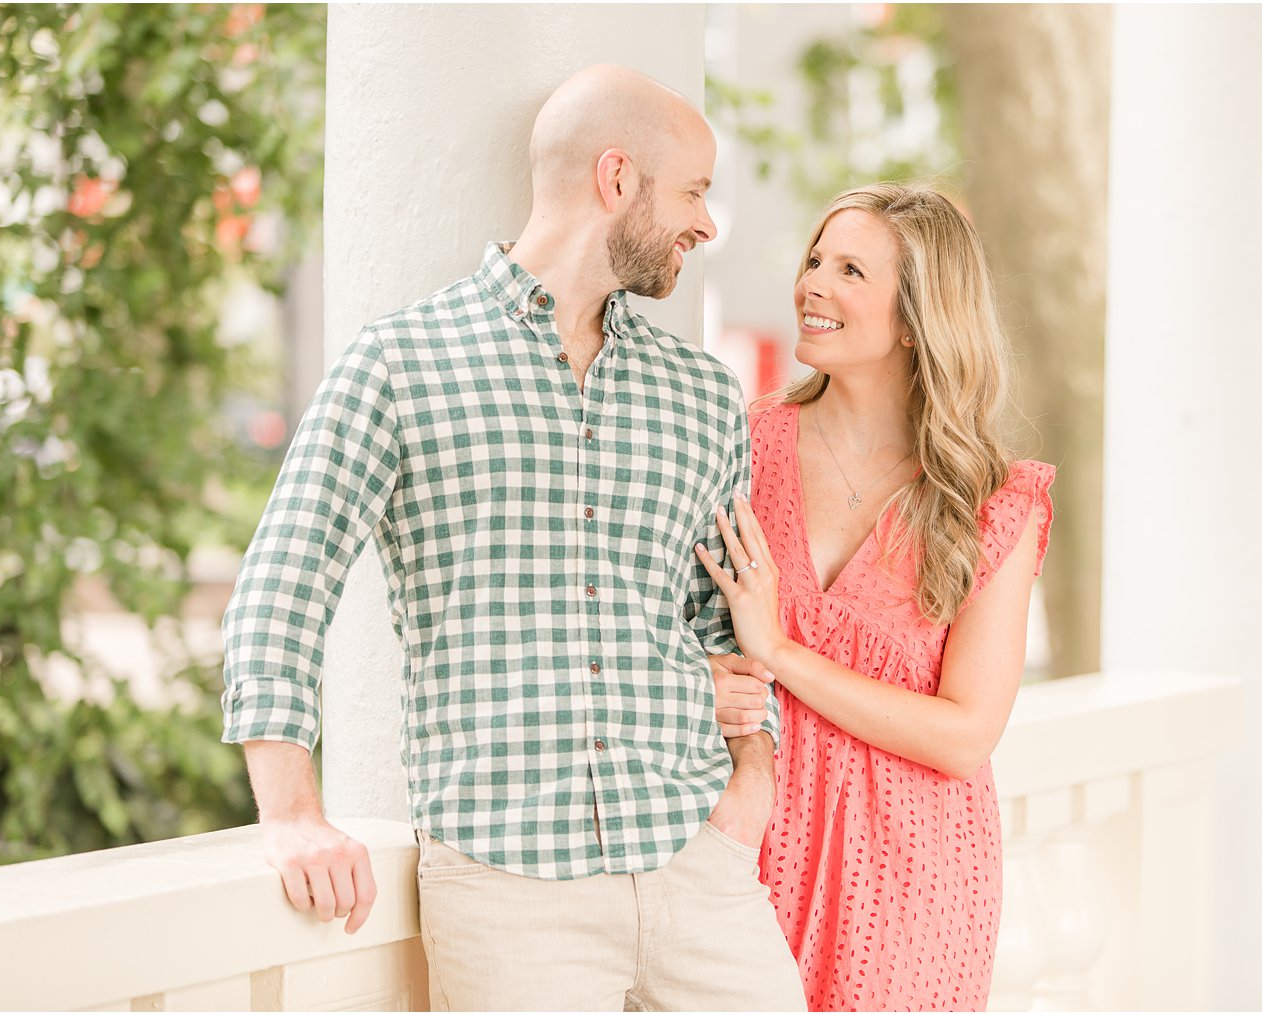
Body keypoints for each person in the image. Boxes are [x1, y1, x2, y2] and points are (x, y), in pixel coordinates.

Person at [221, 64, 805, 1011]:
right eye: (694, 191)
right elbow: (283, 586)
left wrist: (752, 786)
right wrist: (292, 813)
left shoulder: (703, 396)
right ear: (617, 179)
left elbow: (725, 616)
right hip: (508, 886)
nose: (705, 223)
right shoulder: (399, 365)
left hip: (697, 861)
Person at [694, 183, 1056, 1011]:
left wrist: (781, 652)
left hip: (912, 877)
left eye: (850, 269)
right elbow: (660, 622)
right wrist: (705, 674)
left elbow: (966, 734)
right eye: (815, 259)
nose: (811, 283)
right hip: (744, 849)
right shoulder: (738, 445)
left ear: (914, 315)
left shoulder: (993, 502)